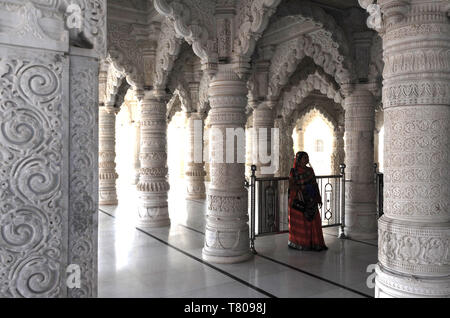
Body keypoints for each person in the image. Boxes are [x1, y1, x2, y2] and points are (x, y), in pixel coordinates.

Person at [288, 151, 327, 251]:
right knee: (302, 222)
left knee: (314, 221)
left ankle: (315, 243)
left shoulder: (310, 170)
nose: (307, 159)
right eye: (305, 157)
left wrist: (318, 198)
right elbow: (292, 185)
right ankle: (300, 243)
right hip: (300, 200)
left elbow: (314, 184)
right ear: (299, 160)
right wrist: (299, 193)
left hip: (311, 198)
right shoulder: (294, 171)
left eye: (307, 157)